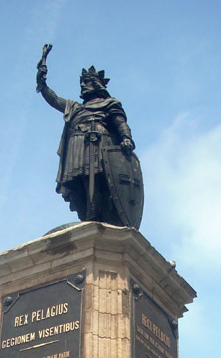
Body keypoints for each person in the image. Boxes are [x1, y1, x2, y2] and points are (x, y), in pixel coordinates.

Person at [36, 44, 143, 228]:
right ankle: (86, 217)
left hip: (98, 144)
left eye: (86, 82)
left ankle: (94, 215)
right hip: (77, 147)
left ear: (96, 84)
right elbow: (53, 99)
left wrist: (126, 137)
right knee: (78, 184)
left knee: (95, 181)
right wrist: (42, 79)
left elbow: (119, 122)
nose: (83, 86)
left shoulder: (109, 103)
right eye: (82, 83)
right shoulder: (75, 107)